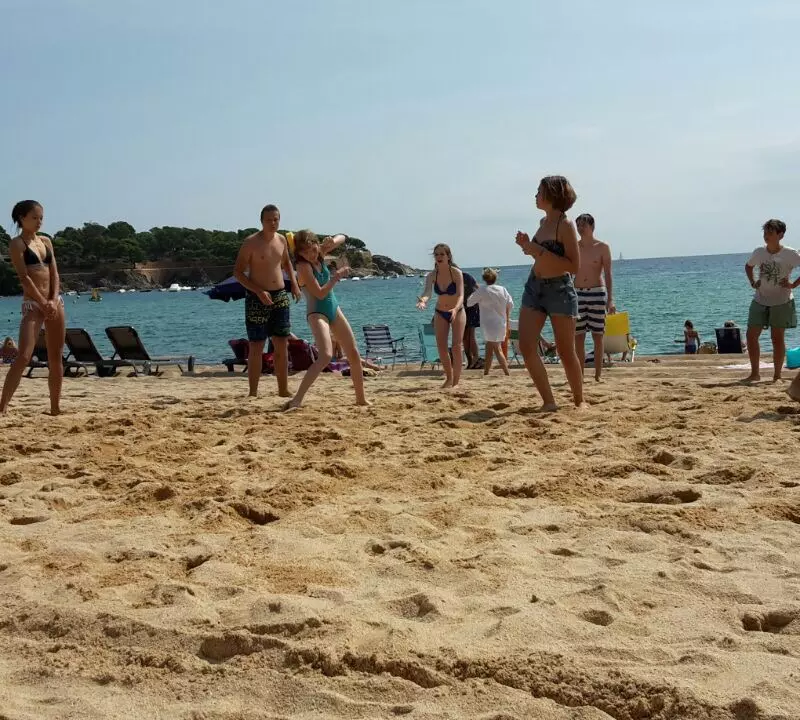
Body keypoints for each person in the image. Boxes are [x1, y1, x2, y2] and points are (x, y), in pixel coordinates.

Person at [514, 175, 583, 410]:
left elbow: (573, 265)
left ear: (551, 195)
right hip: (535, 286)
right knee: (526, 346)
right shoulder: (543, 223)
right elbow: (539, 254)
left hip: (559, 290)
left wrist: (537, 250)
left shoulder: (565, 225)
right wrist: (527, 246)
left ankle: (579, 401)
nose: (535, 195)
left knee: (565, 351)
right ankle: (549, 402)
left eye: (539, 191)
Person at [284, 231, 367, 410]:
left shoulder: (319, 251)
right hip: (317, 313)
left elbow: (344, 236)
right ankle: (297, 399)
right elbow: (320, 292)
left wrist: (332, 239)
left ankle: (361, 398)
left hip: (333, 308)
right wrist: (336, 277)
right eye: (305, 253)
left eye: (313, 249)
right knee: (325, 356)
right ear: (299, 254)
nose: (311, 255)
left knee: (353, 352)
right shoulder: (303, 267)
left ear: (316, 244)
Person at [0, 201, 65, 416]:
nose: (39, 222)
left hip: (54, 302)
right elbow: (24, 277)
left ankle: (55, 407)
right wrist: (42, 302)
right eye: (35, 218)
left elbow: (54, 273)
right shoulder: (17, 244)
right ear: (21, 218)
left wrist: (53, 300)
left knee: (55, 356)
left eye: (41, 218)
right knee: (24, 355)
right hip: (33, 303)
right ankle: (3, 406)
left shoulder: (46, 241)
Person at [233, 204, 301, 398]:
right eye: (269, 219)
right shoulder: (250, 243)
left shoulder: (281, 240)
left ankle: (283, 389)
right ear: (262, 221)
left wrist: (294, 284)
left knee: (281, 343)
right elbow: (237, 272)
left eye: (276, 219)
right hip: (256, 297)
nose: (273, 223)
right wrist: (258, 291)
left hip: (280, 295)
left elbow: (287, 263)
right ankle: (253, 392)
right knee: (256, 345)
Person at [743, 219, 800, 383]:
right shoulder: (759, 252)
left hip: (782, 301)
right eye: (765, 232)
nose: (766, 235)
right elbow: (748, 266)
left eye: (770, 232)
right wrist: (753, 282)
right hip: (760, 299)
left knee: (777, 338)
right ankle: (755, 374)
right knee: (751, 335)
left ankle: (777, 375)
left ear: (780, 235)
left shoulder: (790, 254)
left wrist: (793, 284)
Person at [416, 244, 466, 388]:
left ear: (448, 256)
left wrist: (455, 309)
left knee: (456, 346)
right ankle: (449, 378)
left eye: (442, 254)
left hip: (458, 310)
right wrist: (423, 301)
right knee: (441, 347)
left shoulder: (456, 272)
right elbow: (427, 292)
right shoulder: (432, 275)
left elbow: (461, 294)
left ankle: (456, 381)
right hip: (440, 312)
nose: (439, 257)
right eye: (436, 254)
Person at [574, 213, 615, 382]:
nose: (579, 228)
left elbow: (608, 274)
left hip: (597, 291)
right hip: (577, 293)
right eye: (578, 225)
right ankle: (580, 375)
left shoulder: (602, 247)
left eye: (583, 225)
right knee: (578, 336)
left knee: (598, 335)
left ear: (591, 226)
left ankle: (598, 374)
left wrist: (611, 299)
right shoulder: (574, 247)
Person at [466, 268, 513, 376]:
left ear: (484, 278)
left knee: (496, 348)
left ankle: (506, 372)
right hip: (501, 322)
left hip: (488, 324)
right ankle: (486, 372)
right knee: (489, 347)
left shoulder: (482, 290)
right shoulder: (503, 289)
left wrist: (476, 290)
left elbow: (469, 302)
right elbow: (510, 305)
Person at [463, 272, 482, 369]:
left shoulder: (466, 276)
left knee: (470, 335)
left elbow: (477, 288)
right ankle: (470, 360)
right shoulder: (448, 279)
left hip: (472, 307)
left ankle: (476, 359)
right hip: (461, 308)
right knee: (464, 337)